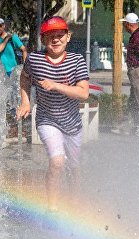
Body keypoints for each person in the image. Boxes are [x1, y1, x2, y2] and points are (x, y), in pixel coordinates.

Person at [17, 16, 89, 212]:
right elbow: (24, 78)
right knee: (57, 162)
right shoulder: (34, 59)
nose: (56, 40)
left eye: (60, 35)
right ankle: (53, 208)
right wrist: (25, 101)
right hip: (47, 120)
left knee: (74, 167)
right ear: (43, 39)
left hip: (72, 123)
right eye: (50, 36)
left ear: (68, 37)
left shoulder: (76, 60)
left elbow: (83, 93)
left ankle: (74, 204)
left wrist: (56, 86)